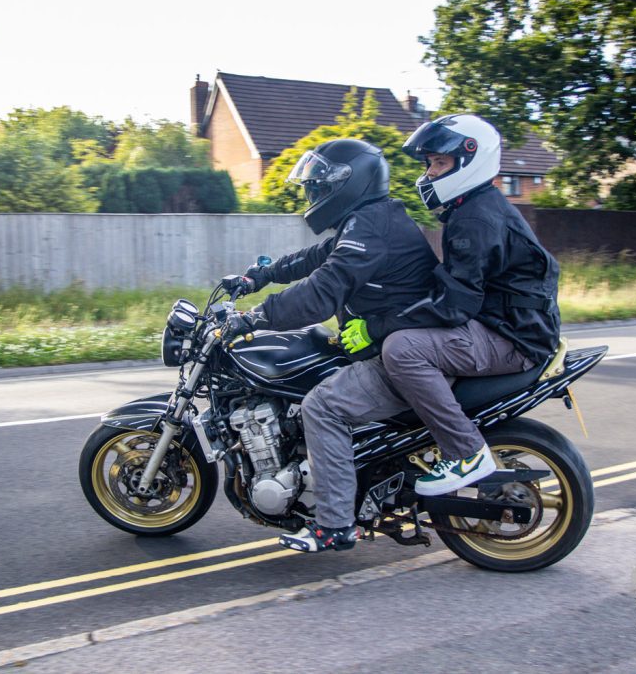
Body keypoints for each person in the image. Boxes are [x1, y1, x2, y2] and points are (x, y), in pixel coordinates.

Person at [223, 138, 439, 552]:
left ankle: (335, 524)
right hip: (392, 346)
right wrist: (259, 276)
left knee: (321, 407)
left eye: (320, 185)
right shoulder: (369, 220)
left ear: (350, 183)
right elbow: (314, 258)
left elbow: (322, 291)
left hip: (398, 358)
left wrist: (255, 317)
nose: (312, 192)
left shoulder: (369, 227)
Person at [340, 113, 561, 497]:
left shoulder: (476, 219)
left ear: (470, 159)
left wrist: (377, 328)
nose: (429, 173)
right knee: (405, 334)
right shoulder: (474, 208)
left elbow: (454, 306)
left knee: (403, 348)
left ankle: (466, 452)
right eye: (429, 163)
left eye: (439, 163)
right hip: (507, 323)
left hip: (513, 337)